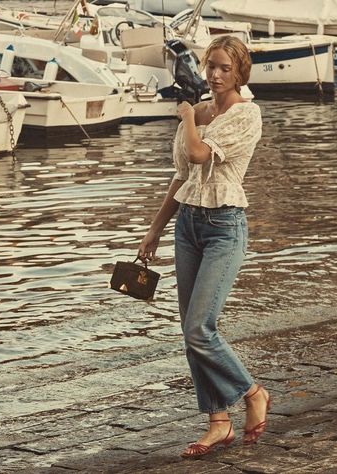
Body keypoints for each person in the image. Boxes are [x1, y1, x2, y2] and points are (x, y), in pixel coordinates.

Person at [138, 35, 270, 458]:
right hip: (188, 225)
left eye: (224, 69)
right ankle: (217, 422)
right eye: (210, 65)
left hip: (224, 226)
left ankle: (252, 393)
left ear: (239, 73)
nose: (214, 74)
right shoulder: (199, 112)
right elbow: (182, 177)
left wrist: (186, 117)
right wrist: (154, 229)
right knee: (190, 333)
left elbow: (197, 153)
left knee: (200, 328)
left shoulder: (246, 115)